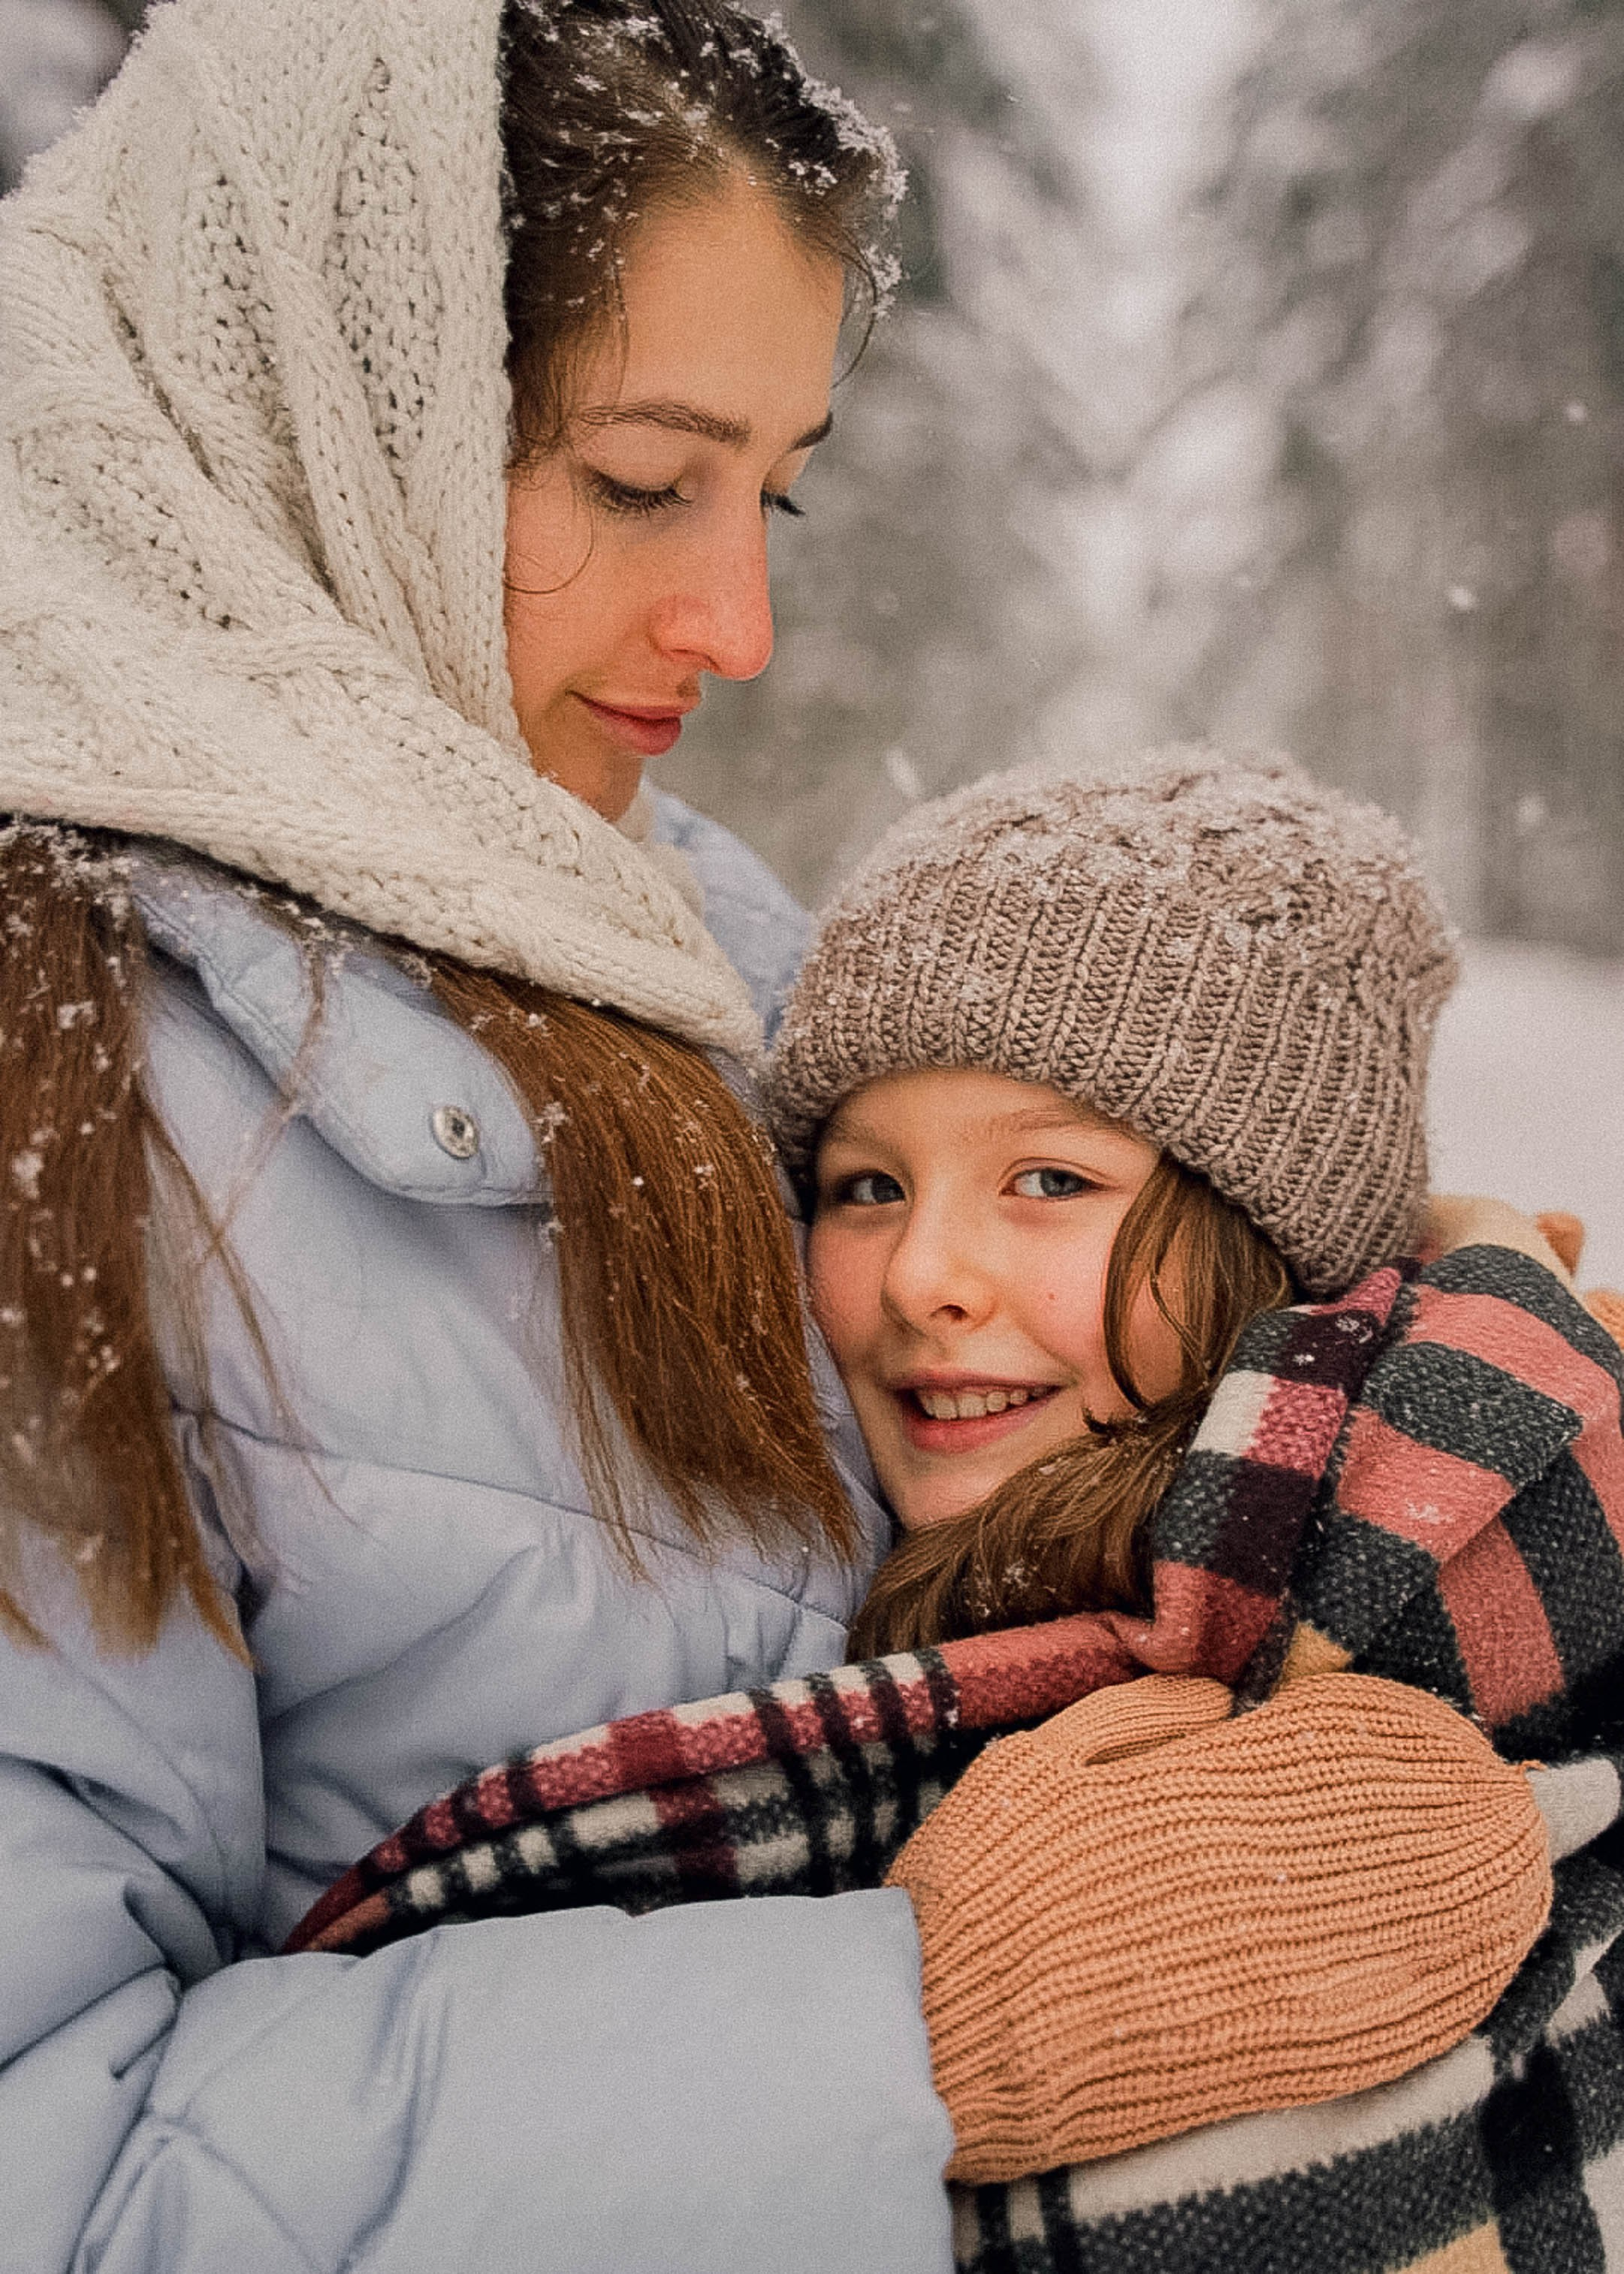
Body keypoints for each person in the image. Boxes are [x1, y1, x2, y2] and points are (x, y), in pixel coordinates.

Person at [0, 3, 961, 2269]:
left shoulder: (651, 928)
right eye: (644, 478)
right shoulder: (53, 1076)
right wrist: (936, 2043)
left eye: (777, 488)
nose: (738, 620)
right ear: (311, 402)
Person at [761, 747, 1624, 2267]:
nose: (917, 1276)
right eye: (864, 1185)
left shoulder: (1444, 1610)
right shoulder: (832, 1585)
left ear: (1266, 1239)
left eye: (1045, 1179)